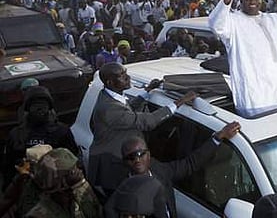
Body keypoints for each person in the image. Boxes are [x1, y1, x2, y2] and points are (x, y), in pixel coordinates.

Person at [87, 62, 196, 195]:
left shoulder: (110, 95)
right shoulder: (108, 109)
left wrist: (147, 91)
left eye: (126, 72)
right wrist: (179, 102)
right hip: (112, 169)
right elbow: (147, 122)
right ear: (110, 82)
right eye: (122, 75)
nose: (128, 77)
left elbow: (128, 110)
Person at [105, 122, 240, 218]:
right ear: (124, 161)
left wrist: (218, 138)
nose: (137, 160)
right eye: (131, 157)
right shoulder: (120, 194)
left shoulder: (160, 170)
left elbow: (190, 163)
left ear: (149, 154)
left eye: (141, 154)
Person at [3, 86, 78, 190]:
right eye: (35, 105)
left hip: (56, 190)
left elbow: (74, 163)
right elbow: (8, 169)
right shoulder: (16, 135)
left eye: (42, 105)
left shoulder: (61, 132)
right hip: (27, 190)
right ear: (28, 109)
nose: (40, 110)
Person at [26, 148, 103, 218]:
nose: (78, 172)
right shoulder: (40, 214)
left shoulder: (81, 191)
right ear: (58, 183)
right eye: (71, 171)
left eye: (76, 167)